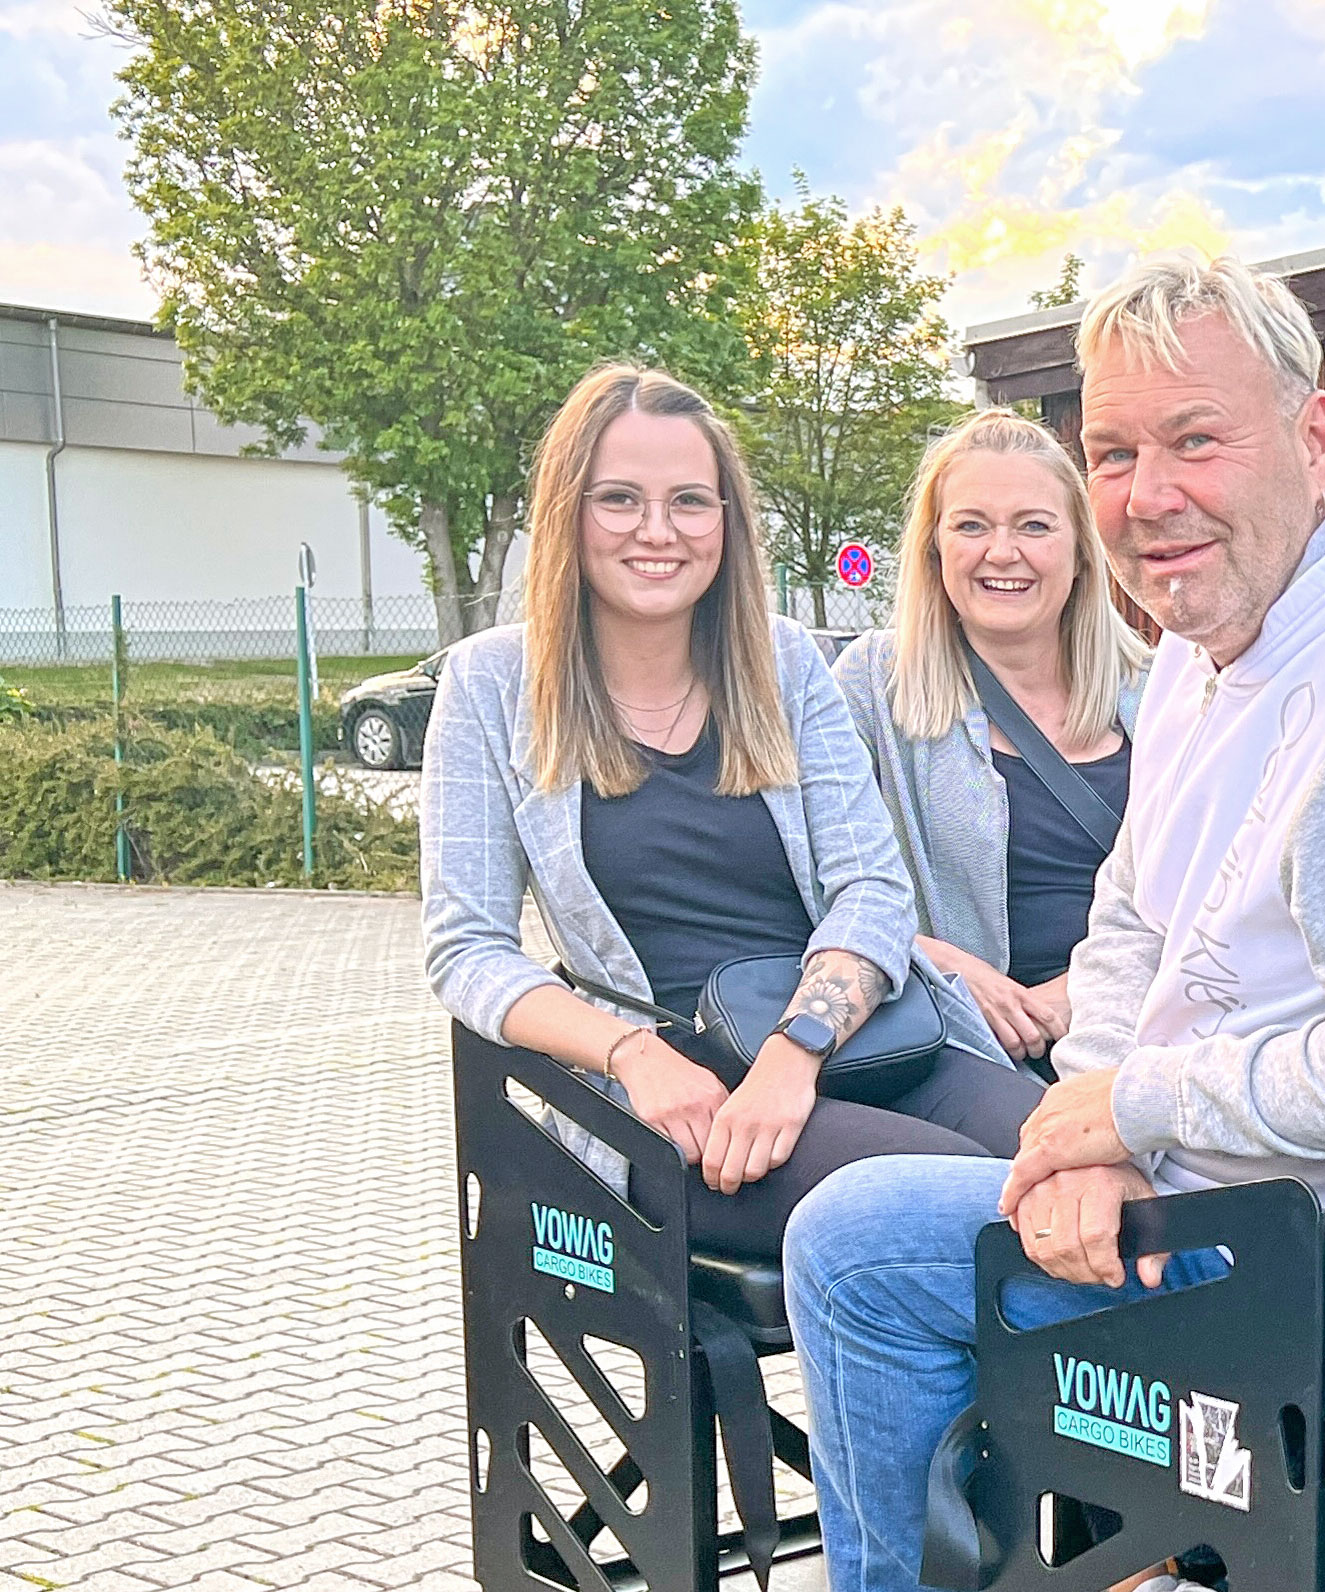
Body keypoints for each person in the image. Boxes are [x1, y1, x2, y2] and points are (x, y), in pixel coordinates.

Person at [679, 250, 1325, 1592]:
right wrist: (1091, 1114)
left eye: (1195, 439)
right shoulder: (1211, 642)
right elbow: (1134, 919)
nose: (1147, 494)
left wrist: (1138, 1112)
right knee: (972, 1190)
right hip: (1265, 1209)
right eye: (1113, 452)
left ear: (1315, 440)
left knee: (849, 1245)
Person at [421, 365, 1040, 1260]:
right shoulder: (491, 685)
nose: (658, 531)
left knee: (1067, 1171)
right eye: (620, 499)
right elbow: (466, 948)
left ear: (727, 519)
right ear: (568, 514)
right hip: (680, 1099)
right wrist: (632, 1058)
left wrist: (797, 1051)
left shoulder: (783, 664)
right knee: (968, 1211)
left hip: (857, 1043)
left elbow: (872, 888)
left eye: (689, 502)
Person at [836, 409, 1150, 1069]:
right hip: (962, 1054)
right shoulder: (872, 686)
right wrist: (929, 959)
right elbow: (808, 882)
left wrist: (1090, 992)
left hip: (1147, 1042)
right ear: (935, 547)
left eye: (1034, 525)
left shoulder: (1160, 689)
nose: (1001, 552)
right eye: (971, 525)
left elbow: (1227, 898)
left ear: (1080, 549)